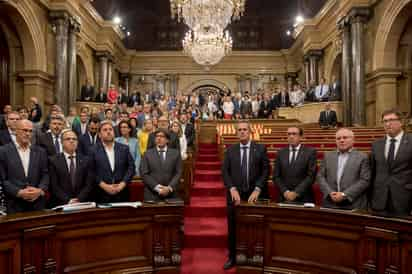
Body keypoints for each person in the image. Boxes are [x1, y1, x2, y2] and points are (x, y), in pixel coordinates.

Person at [222, 120, 269, 270]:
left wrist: (258, 188)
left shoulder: (260, 149)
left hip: (254, 194)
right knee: (233, 226)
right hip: (235, 195)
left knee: (255, 226)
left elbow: (266, 171)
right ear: (236, 133)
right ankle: (232, 257)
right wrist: (232, 188)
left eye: (244, 130)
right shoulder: (230, 150)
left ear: (250, 132)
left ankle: (254, 256)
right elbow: (225, 172)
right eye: (239, 130)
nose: (242, 132)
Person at [0, 119, 49, 214]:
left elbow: (45, 174)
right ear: (15, 131)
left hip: (37, 203)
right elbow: (3, 179)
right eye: (24, 130)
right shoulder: (3, 151)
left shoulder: (41, 151)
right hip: (14, 204)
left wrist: (40, 190)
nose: (28, 134)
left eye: (30, 131)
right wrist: (19, 192)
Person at [370, 109, 412, 216]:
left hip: (404, 199)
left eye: (392, 120)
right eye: (385, 121)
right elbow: (372, 173)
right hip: (379, 200)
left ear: (401, 122)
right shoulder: (376, 144)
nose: (388, 124)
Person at [317, 128, 370, 209]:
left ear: (353, 140)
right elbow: (320, 176)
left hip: (353, 203)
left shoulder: (362, 157)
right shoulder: (328, 156)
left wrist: (344, 194)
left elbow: (365, 180)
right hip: (330, 202)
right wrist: (330, 192)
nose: (341, 140)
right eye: (338, 138)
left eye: (345, 137)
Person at [91, 121, 135, 203]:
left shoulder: (124, 148)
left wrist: (122, 184)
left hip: (122, 193)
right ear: (99, 135)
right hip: (101, 194)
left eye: (110, 129)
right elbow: (91, 171)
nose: (108, 132)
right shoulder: (93, 150)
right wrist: (104, 185)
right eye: (105, 130)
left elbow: (131, 168)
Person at [48, 130, 95, 207]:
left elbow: (89, 184)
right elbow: (54, 186)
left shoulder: (86, 160)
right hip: (62, 204)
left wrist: (79, 199)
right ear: (62, 142)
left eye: (74, 139)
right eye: (68, 139)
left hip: (82, 203)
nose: (71, 141)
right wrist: (68, 200)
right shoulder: (53, 160)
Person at [273, 127, 317, 203]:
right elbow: (276, 176)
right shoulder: (280, 153)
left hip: (304, 197)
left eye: (294, 134)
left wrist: (296, 192)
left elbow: (311, 176)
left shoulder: (310, 152)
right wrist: (285, 192)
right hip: (284, 197)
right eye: (289, 134)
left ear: (301, 136)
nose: (291, 136)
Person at [140, 128, 182, 201]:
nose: (159, 138)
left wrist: (169, 188)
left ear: (167, 140)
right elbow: (144, 173)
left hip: (171, 194)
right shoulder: (147, 154)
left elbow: (178, 172)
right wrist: (158, 188)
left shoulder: (176, 154)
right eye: (157, 136)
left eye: (162, 136)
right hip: (152, 194)